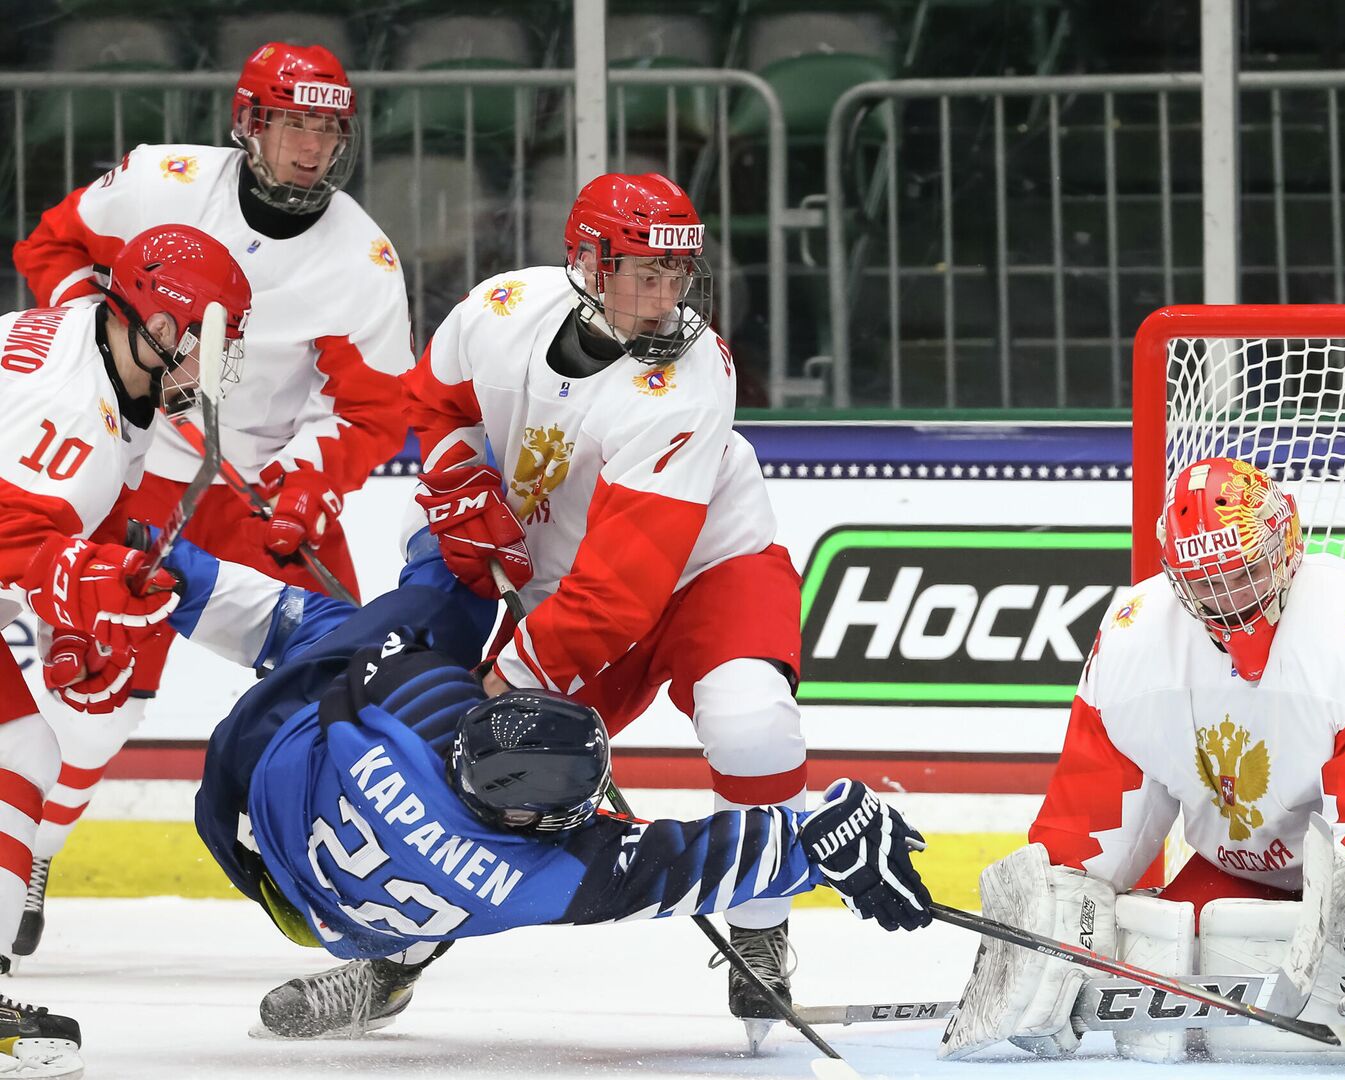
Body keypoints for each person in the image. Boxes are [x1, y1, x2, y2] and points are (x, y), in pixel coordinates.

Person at [137, 525, 929, 1040]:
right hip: (323, 900)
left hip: (245, 811)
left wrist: (181, 576)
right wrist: (824, 839)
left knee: (429, 590)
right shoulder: (533, 878)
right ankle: (390, 959)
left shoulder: (415, 700)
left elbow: (312, 635)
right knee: (384, 619)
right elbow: (689, 862)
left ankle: (391, 966)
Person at [8, 41, 412, 954]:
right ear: (251, 122)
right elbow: (54, 244)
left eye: (326, 128)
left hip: (256, 483)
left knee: (348, 677)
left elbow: (375, 410)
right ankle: (35, 856)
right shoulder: (163, 181)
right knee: (104, 684)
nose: (310, 147)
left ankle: (367, 897)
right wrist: (99, 358)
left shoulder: (363, 261)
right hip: (137, 468)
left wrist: (309, 484)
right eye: (292, 123)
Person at [402, 172, 812, 1030]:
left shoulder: (692, 380)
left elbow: (624, 590)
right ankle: (396, 947)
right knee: (481, 767)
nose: (666, 301)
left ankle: (761, 926)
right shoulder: (499, 309)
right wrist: (454, 471)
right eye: (644, 274)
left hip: (709, 570)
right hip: (570, 578)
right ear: (586, 262)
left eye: (678, 276)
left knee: (752, 720)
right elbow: (435, 404)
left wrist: (510, 677)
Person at [941, 456, 1345, 1060]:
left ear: (1286, 540)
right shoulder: (1133, 639)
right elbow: (1092, 821)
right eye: (1207, 582)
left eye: (1243, 572)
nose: (1229, 598)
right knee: (1162, 957)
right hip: (1255, 868)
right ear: (1175, 578)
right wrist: (1050, 925)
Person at [0, 224, 252, 1076]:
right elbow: (11, 531)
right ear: (163, 325)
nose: (216, 367)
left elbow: (63, 522)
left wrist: (89, 585)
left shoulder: (108, 359)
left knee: (23, 739)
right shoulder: (71, 403)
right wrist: (82, 582)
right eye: (212, 343)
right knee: (21, 744)